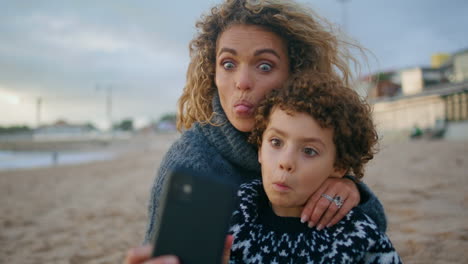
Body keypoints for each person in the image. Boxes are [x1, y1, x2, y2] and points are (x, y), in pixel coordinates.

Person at [125, 0, 387, 263]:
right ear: (211, 72)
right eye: (228, 64)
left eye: (264, 66)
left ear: (295, 74)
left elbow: (375, 233)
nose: (242, 82)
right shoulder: (191, 164)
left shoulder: (316, 142)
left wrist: (351, 189)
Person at [228, 75, 402, 263]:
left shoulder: (358, 236)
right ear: (260, 148)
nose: (286, 162)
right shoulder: (230, 215)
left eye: (309, 151)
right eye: (276, 142)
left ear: (339, 165)